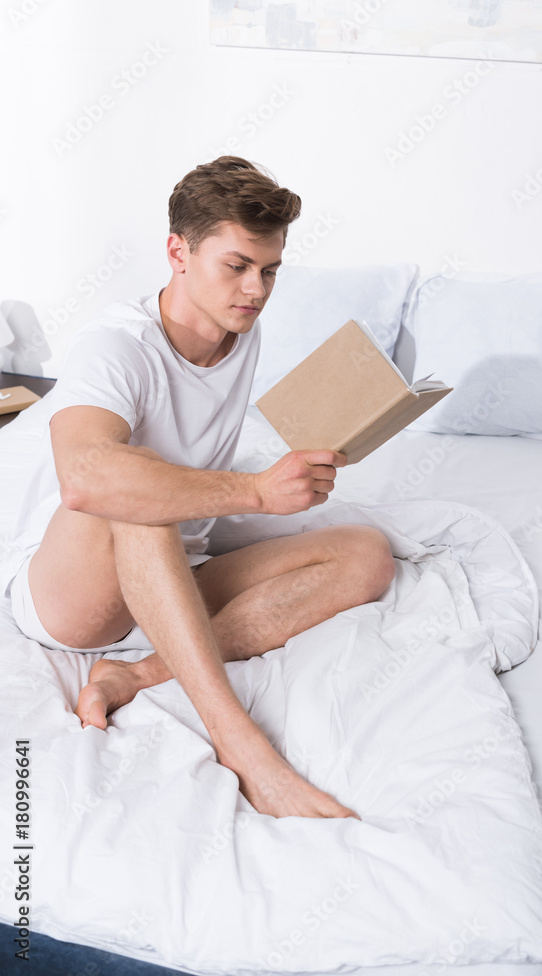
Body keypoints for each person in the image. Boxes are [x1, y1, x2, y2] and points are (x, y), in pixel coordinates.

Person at [4, 155, 396, 819]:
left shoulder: (243, 331)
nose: (256, 288)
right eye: (237, 266)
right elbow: (85, 479)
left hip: (169, 577)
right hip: (74, 596)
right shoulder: (116, 345)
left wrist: (308, 467)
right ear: (177, 253)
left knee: (364, 553)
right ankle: (241, 746)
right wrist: (256, 493)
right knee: (135, 487)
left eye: (269, 270)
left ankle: (135, 675)